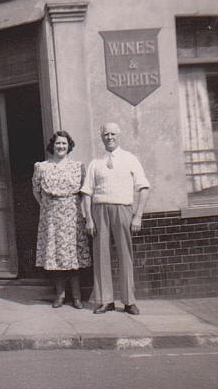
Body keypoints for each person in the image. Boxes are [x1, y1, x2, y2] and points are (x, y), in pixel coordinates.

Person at [81, 122, 149, 315]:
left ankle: (129, 301)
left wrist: (138, 215)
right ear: (101, 137)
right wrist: (89, 219)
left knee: (124, 254)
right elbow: (86, 192)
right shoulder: (96, 162)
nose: (109, 137)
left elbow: (143, 187)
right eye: (106, 134)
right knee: (101, 254)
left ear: (118, 136)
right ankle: (106, 300)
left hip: (123, 209)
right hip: (99, 210)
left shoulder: (130, 159)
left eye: (113, 134)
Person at [32, 130, 91, 309]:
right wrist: (47, 206)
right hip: (51, 218)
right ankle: (60, 295)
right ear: (52, 145)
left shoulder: (78, 167)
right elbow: (36, 190)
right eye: (58, 143)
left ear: (69, 146)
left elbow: (84, 191)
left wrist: (73, 207)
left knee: (73, 256)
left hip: (72, 216)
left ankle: (77, 297)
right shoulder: (42, 167)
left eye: (64, 144)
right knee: (56, 256)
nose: (61, 146)